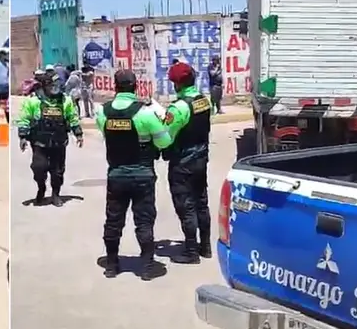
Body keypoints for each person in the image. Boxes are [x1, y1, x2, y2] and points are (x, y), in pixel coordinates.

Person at [95, 69, 173, 280]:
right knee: (144, 222)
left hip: (116, 176)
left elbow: (108, 136)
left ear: (115, 86)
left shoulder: (102, 112)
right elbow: (164, 142)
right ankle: (147, 267)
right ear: (136, 86)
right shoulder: (146, 113)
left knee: (113, 221)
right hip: (143, 176)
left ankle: (111, 265)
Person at [162, 62, 213, 264]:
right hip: (201, 159)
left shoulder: (179, 107)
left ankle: (191, 251)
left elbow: (167, 135)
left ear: (177, 84)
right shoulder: (204, 100)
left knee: (186, 206)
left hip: (183, 162)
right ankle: (206, 247)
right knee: (201, 203)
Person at [17, 69, 83, 206]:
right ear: (44, 85)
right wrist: (22, 136)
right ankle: (41, 187)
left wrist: (78, 134)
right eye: (52, 85)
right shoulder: (33, 101)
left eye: (57, 85)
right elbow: (24, 118)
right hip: (39, 142)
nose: (55, 88)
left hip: (59, 142)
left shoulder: (65, 101)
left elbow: (73, 117)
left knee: (57, 171)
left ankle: (55, 194)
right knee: (38, 167)